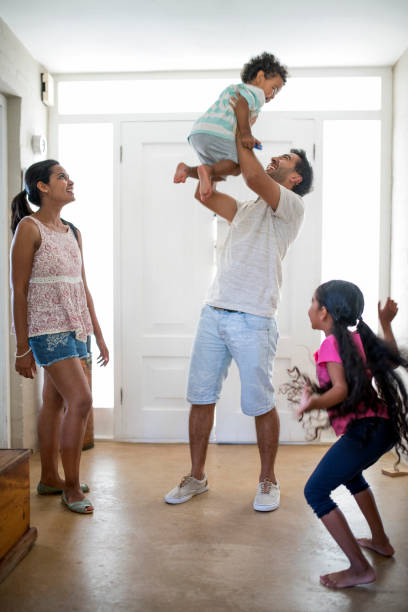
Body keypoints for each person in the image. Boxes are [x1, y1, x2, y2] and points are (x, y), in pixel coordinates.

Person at [165, 127, 314, 511]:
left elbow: (251, 176)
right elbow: (210, 197)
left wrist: (242, 136)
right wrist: (197, 172)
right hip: (214, 312)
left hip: (255, 319)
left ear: (294, 178)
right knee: (200, 398)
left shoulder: (291, 207)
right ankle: (196, 477)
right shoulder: (247, 209)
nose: (276, 159)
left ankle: (268, 481)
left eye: (286, 160)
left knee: (260, 403)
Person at [10, 159, 109, 514]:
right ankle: (71, 487)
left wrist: (97, 332)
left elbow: (81, 285)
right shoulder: (29, 228)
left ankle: (50, 477)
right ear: (43, 187)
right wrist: (22, 349)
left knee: (54, 403)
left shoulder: (73, 232)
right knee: (80, 401)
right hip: (46, 329)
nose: (70, 181)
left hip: (76, 325)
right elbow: (18, 290)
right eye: (62, 177)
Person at [297, 280, 408, 588]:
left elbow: (341, 390)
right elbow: (389, 359)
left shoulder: (330, 344)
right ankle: (381, 542)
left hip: (366, 430)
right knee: (351, 475)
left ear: (324, 313)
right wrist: (385, 324)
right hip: (381, 427)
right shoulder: (357, 339)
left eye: (312, 301)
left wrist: (313, 402)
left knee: (315, 492)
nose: (309, 308)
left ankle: (360, 569)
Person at [173, 52, 287, 201]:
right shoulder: (255, 93)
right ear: (260, 77)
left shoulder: (236, 89)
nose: (272, 96)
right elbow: (241, 105)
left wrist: (249, 135)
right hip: (217, 132)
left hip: (199, 133)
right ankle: (206, 170)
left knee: (219, 174)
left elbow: (237, 123)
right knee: (238, 165)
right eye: (274, 89)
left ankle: (187, 170)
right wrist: (246, 133)